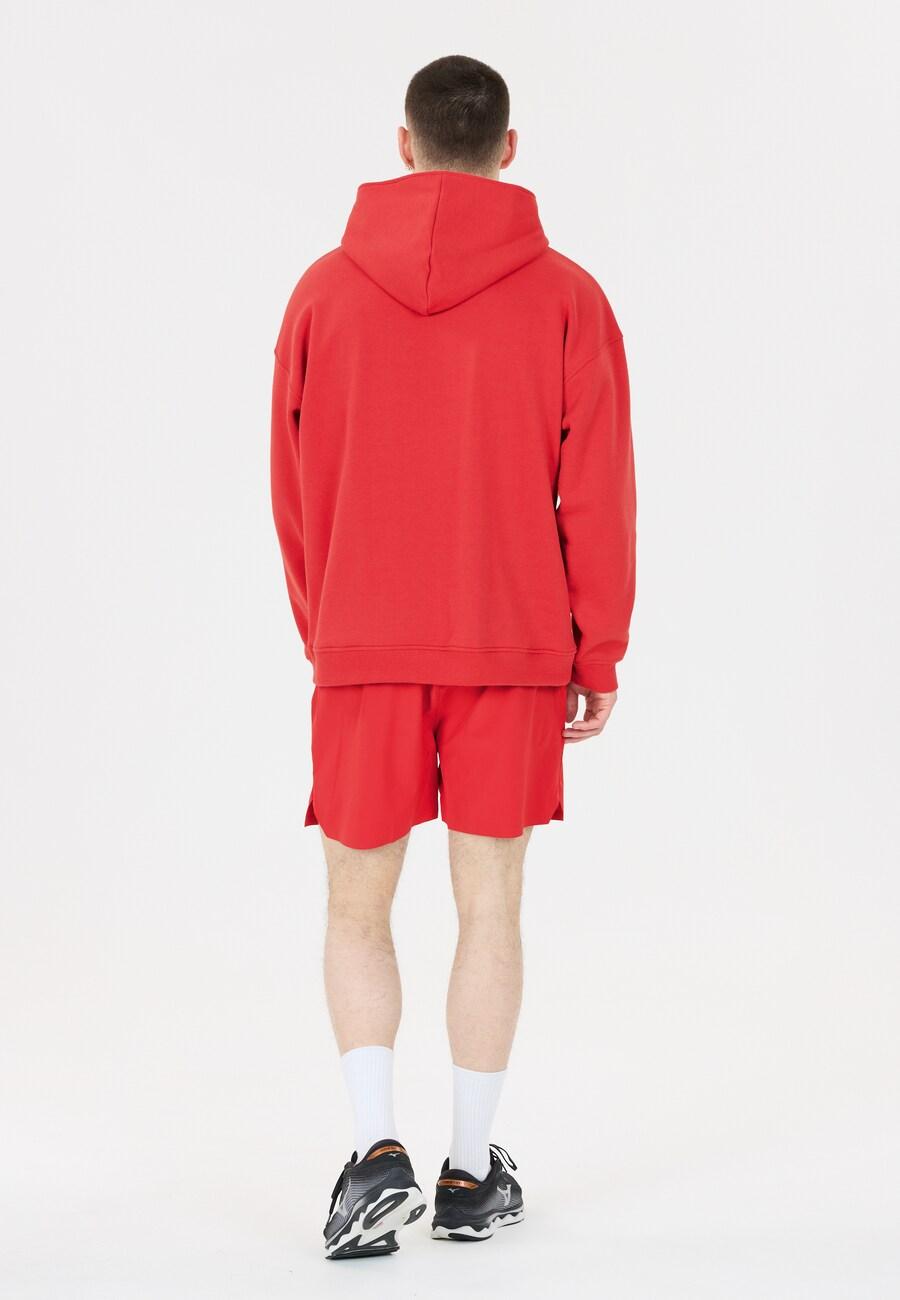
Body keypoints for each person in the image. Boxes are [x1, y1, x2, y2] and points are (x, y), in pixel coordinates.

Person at [271, 53, 636, 1259]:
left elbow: (292, 484)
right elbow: (598, 489)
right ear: (508, 150)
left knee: (354, 905)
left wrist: (329, 626)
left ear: (405, 144)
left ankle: (375, 1152)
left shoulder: (323, 293)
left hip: (363, 641)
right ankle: (472, 1172)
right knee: (491, 905)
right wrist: (596, 645)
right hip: (512, 641)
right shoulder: (568, 297)